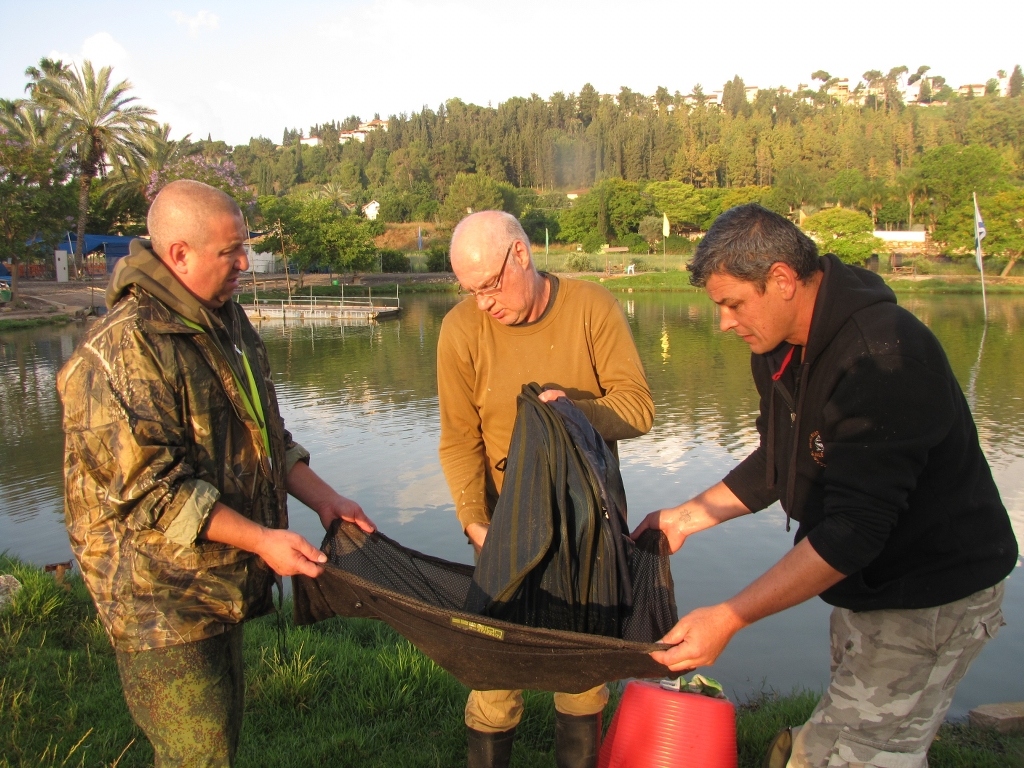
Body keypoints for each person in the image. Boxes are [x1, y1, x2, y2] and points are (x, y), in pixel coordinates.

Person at [632, 204, 1017, 768]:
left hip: (932, 591)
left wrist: (731, 616)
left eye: (733, 303)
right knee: (846, 742)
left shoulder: (882, 357)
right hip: (867, 583)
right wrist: (687, 517)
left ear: (783, 280)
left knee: (866, 755)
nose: (724, 323)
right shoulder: (779, 347)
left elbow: (853, 533)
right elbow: (781, 458)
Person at [57, 179, 375, 767]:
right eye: (231, 251)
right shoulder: (120, 352)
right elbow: (156, 493)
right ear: (180, 254)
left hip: (213, 581)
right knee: (196, 757)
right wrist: (262, 541)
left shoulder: (224, 322)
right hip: (158, 597)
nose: (244, 263)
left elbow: (263, 437)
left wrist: (325, 499)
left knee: (215, 745)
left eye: (244, 246)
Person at [437, 210, 654, 768]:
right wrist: (473, 522)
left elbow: (638, 409)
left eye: (488, 287)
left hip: (586, 527)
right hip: (502, 527)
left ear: (521, 255)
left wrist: (570, 415)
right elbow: (459, 439)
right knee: (493, 677)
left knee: (580, 675)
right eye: (469, 291)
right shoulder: (461, 328)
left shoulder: (592, 308)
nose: (483, 304)